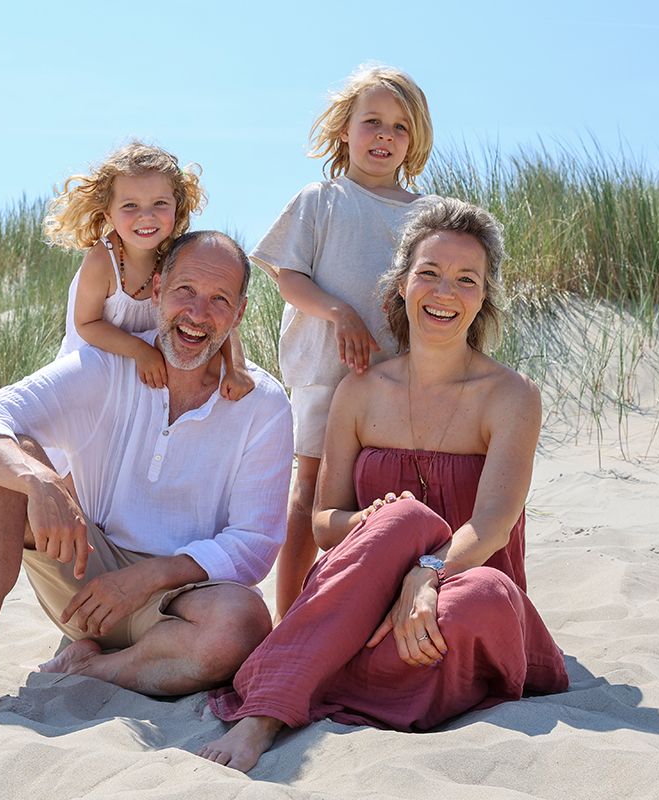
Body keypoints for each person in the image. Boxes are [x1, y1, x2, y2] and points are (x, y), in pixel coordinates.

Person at [0, 230, 293, 731]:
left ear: (238, 314)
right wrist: (36, 478)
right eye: (184, 291)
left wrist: (148, 577)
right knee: (3, 470)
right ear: (156, 291)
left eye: (219, 300)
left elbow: (255, 543)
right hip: (85, 579)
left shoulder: (265, 404)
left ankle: (91, 669)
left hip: (183, 600)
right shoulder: (104, 368)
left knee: (244, 624)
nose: (197, 313)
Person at [197, 198, 570, 773]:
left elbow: (493, 524)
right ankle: (268, 711)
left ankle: (326, 674)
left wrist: (426, 574)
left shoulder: (512, 396)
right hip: (359, 595)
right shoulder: (361, 391)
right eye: (429, 273)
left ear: (484, 297)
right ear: (401, 284)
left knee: (485, 598)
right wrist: (380, 525)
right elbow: (325, 524)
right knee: (402, 518)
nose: (444, 291)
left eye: (465, 279)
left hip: (459, 595)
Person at [250, 64, 438, 620]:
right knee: (311, 486)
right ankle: (287, 619)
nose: (384, 136)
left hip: (399, 375)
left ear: (415, 140)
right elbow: (288, 275)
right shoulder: (321, 199)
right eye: (371, 122)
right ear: (344, 131)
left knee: (387, 488)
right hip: (325, 369)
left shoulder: (428, 215)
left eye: (400, 127)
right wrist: (341, 314)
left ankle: (375, 613)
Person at [45, 140, 253, 399]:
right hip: (94, 369)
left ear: (177, 208)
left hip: (146, 376)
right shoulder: (102, 260)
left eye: (160, 204)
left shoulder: (177, 258)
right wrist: (140, 351)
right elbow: (86, 324)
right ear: (108, 214)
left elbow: (217, 314)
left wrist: (238, 368)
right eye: (130, 205)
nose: (146, 216)